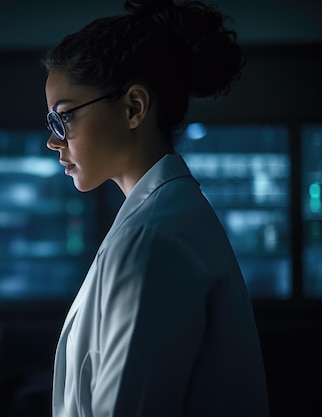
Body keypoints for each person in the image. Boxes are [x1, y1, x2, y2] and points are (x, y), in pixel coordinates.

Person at [42, 0, 269, 416]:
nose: (54, 141)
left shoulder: (153, 239)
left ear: (134, 108)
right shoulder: (158, 220)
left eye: (65, 118)